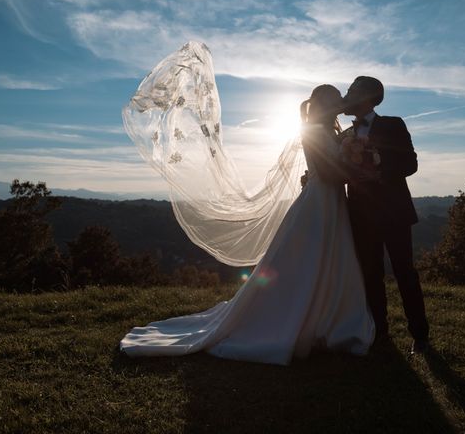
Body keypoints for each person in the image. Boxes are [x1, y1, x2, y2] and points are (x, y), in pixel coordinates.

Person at [120, 85, 375, 365]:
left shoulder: (332, 133)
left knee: (330, 260)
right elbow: (327, 172)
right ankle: (295, 321)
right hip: (319, 203)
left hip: (331, 203)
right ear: (326, 103)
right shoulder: (313, 131)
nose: (341, 103)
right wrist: (355, 168)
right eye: (337, 99)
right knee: (307, 262)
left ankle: (326, 322)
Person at [342, 76, 430, 354]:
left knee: (405, 272)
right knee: (370, 274)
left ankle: (420, 336)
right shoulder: (344, 135)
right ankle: (380, 332)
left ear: (367, 96)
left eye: (351, 91)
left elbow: (410, 163)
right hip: (361, 214)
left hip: (394, 212)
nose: (346, 95)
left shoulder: (393, 124)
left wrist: (379, 169)